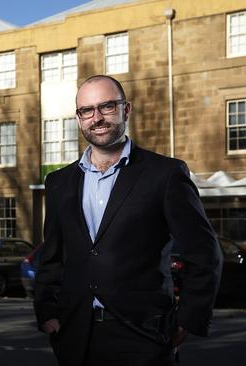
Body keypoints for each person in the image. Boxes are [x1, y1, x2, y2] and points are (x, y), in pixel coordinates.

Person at [33, 75, 223, 366]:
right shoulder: (59, 182)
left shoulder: (165, 174)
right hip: (75, 335)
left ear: (126, 109)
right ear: (79, 117)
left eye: (107, 106)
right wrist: (47, 311)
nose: (97, 118)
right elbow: (52, 257)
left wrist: (187, 318)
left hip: (143, 336)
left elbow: (205, 253)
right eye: (87, 110)